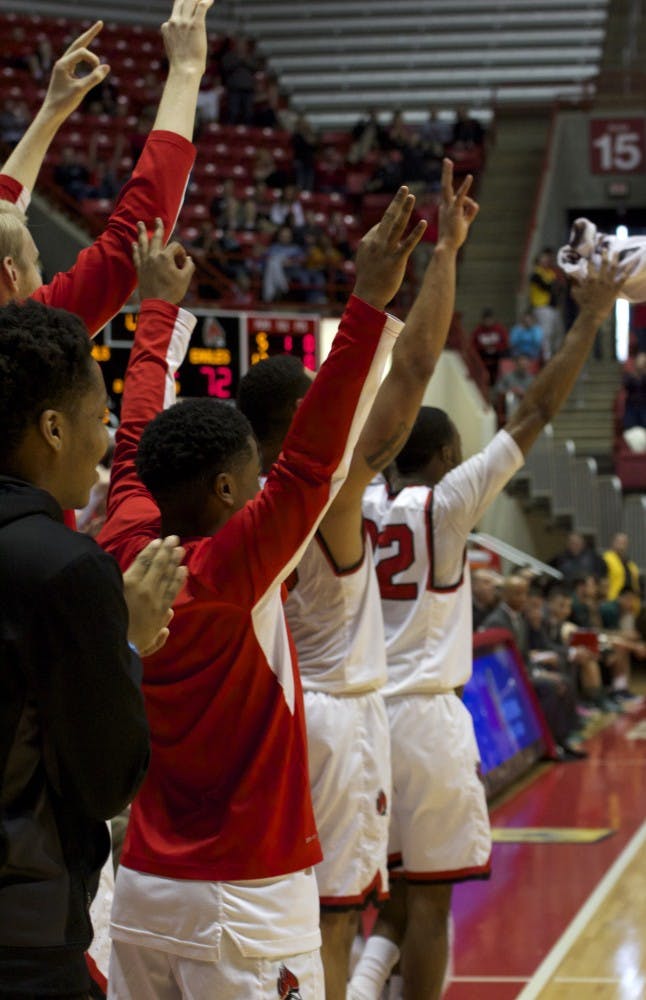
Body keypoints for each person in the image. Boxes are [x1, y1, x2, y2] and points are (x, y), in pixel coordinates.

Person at [97, 191, 424, 999]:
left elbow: (136, 433)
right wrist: (369, 304)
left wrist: (157, 312)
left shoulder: (124, 536)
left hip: (140, 890)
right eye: (249, 481)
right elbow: (314, 462)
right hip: (243, 895)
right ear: (221, 488)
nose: (260, 491)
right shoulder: (232, 567)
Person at [354, 249, 632, 1000]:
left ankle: (354, 987)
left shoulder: (356, 502)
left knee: (369, 897)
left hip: (360, 720)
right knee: (431, 900)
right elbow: (535, 410)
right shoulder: (447, 502)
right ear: (445, 457)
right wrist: (593, 315)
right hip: (428, 724)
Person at [239, 161, 478, 999]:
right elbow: (410, 378)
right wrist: (444, 254)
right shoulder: (327, 493)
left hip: (275, 716)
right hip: (340, 720)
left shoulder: (233, 509)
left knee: (293, 918)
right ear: (294, 423)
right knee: (336, 919)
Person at [0, 298, 187, 998]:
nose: (105, 438)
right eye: (96, 418)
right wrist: (128, 642)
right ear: (52, 429)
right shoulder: (67, 568)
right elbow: (109, 778)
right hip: (23, 934)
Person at [0, 1, 211, 333]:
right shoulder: (24, 334)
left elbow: (4, 207)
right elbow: (133, 237)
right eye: (35, 262)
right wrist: (186, 70)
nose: (42, 276)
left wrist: (51, 113)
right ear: (11, 273)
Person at [470, 308, 509, 386]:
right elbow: (472, 344)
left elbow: (505, 343)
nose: (488, 322)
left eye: (490, 320)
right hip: (483, 354)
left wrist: (495, 347)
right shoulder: (478, 330)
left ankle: (498, 381)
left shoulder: (500, 329)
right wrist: (483, 347)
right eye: (486, 320)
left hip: (497, 354)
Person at [603, 532, 641, 601]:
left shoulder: (630, 563)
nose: (621, 545)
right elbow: (603, 581)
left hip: (631, 601)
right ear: (613, 542)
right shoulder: (606, 558)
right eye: (619, 541)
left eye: (624, 542)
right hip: (614, 599)